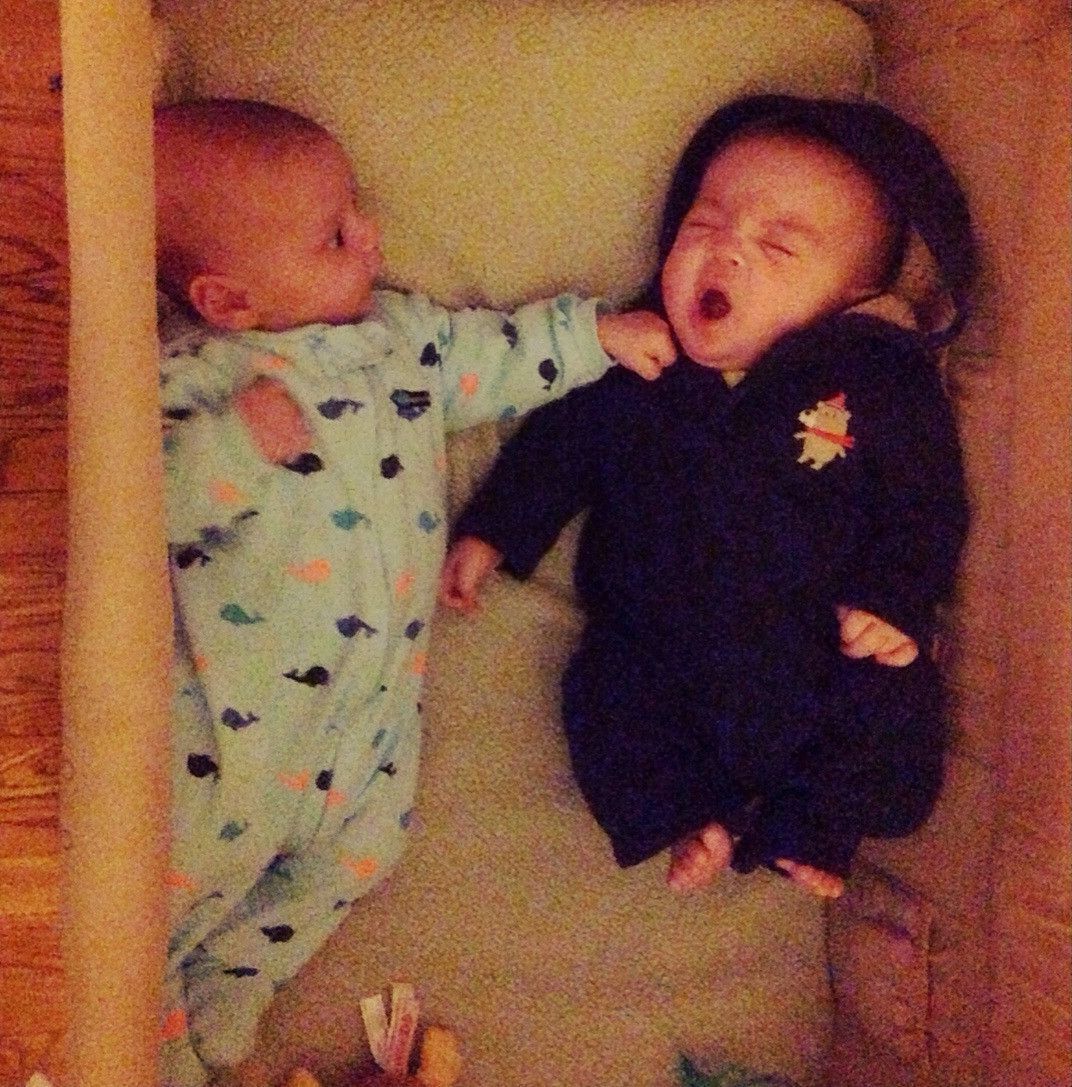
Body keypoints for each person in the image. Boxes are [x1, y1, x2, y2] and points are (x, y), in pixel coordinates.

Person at [154, 98, 675, 1087]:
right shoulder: (199, 380)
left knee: (361, 854)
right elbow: (141, 504)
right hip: (233, 732)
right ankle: (153, 1030)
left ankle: (236, 971)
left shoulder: (399, 339)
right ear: (227, 300)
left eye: (357, 210)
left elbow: (494, 356)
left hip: (369, 726)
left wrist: (595, 337)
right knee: (168, 887)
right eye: (335, 235)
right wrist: (233, 448)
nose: (371, 235)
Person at [441, 93, 974, 901]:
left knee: (888, 689)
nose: (724, 253)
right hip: (654, 647)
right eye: (702, 226)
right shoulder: (638, 366)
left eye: (777, 245)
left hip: (814, 643)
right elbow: (558, 449)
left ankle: (815, 824)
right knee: (599, 695)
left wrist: (894, 598)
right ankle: (683, 814)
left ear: (854, 299)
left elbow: (925, 505)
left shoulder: (877, 386)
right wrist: (495, 528)